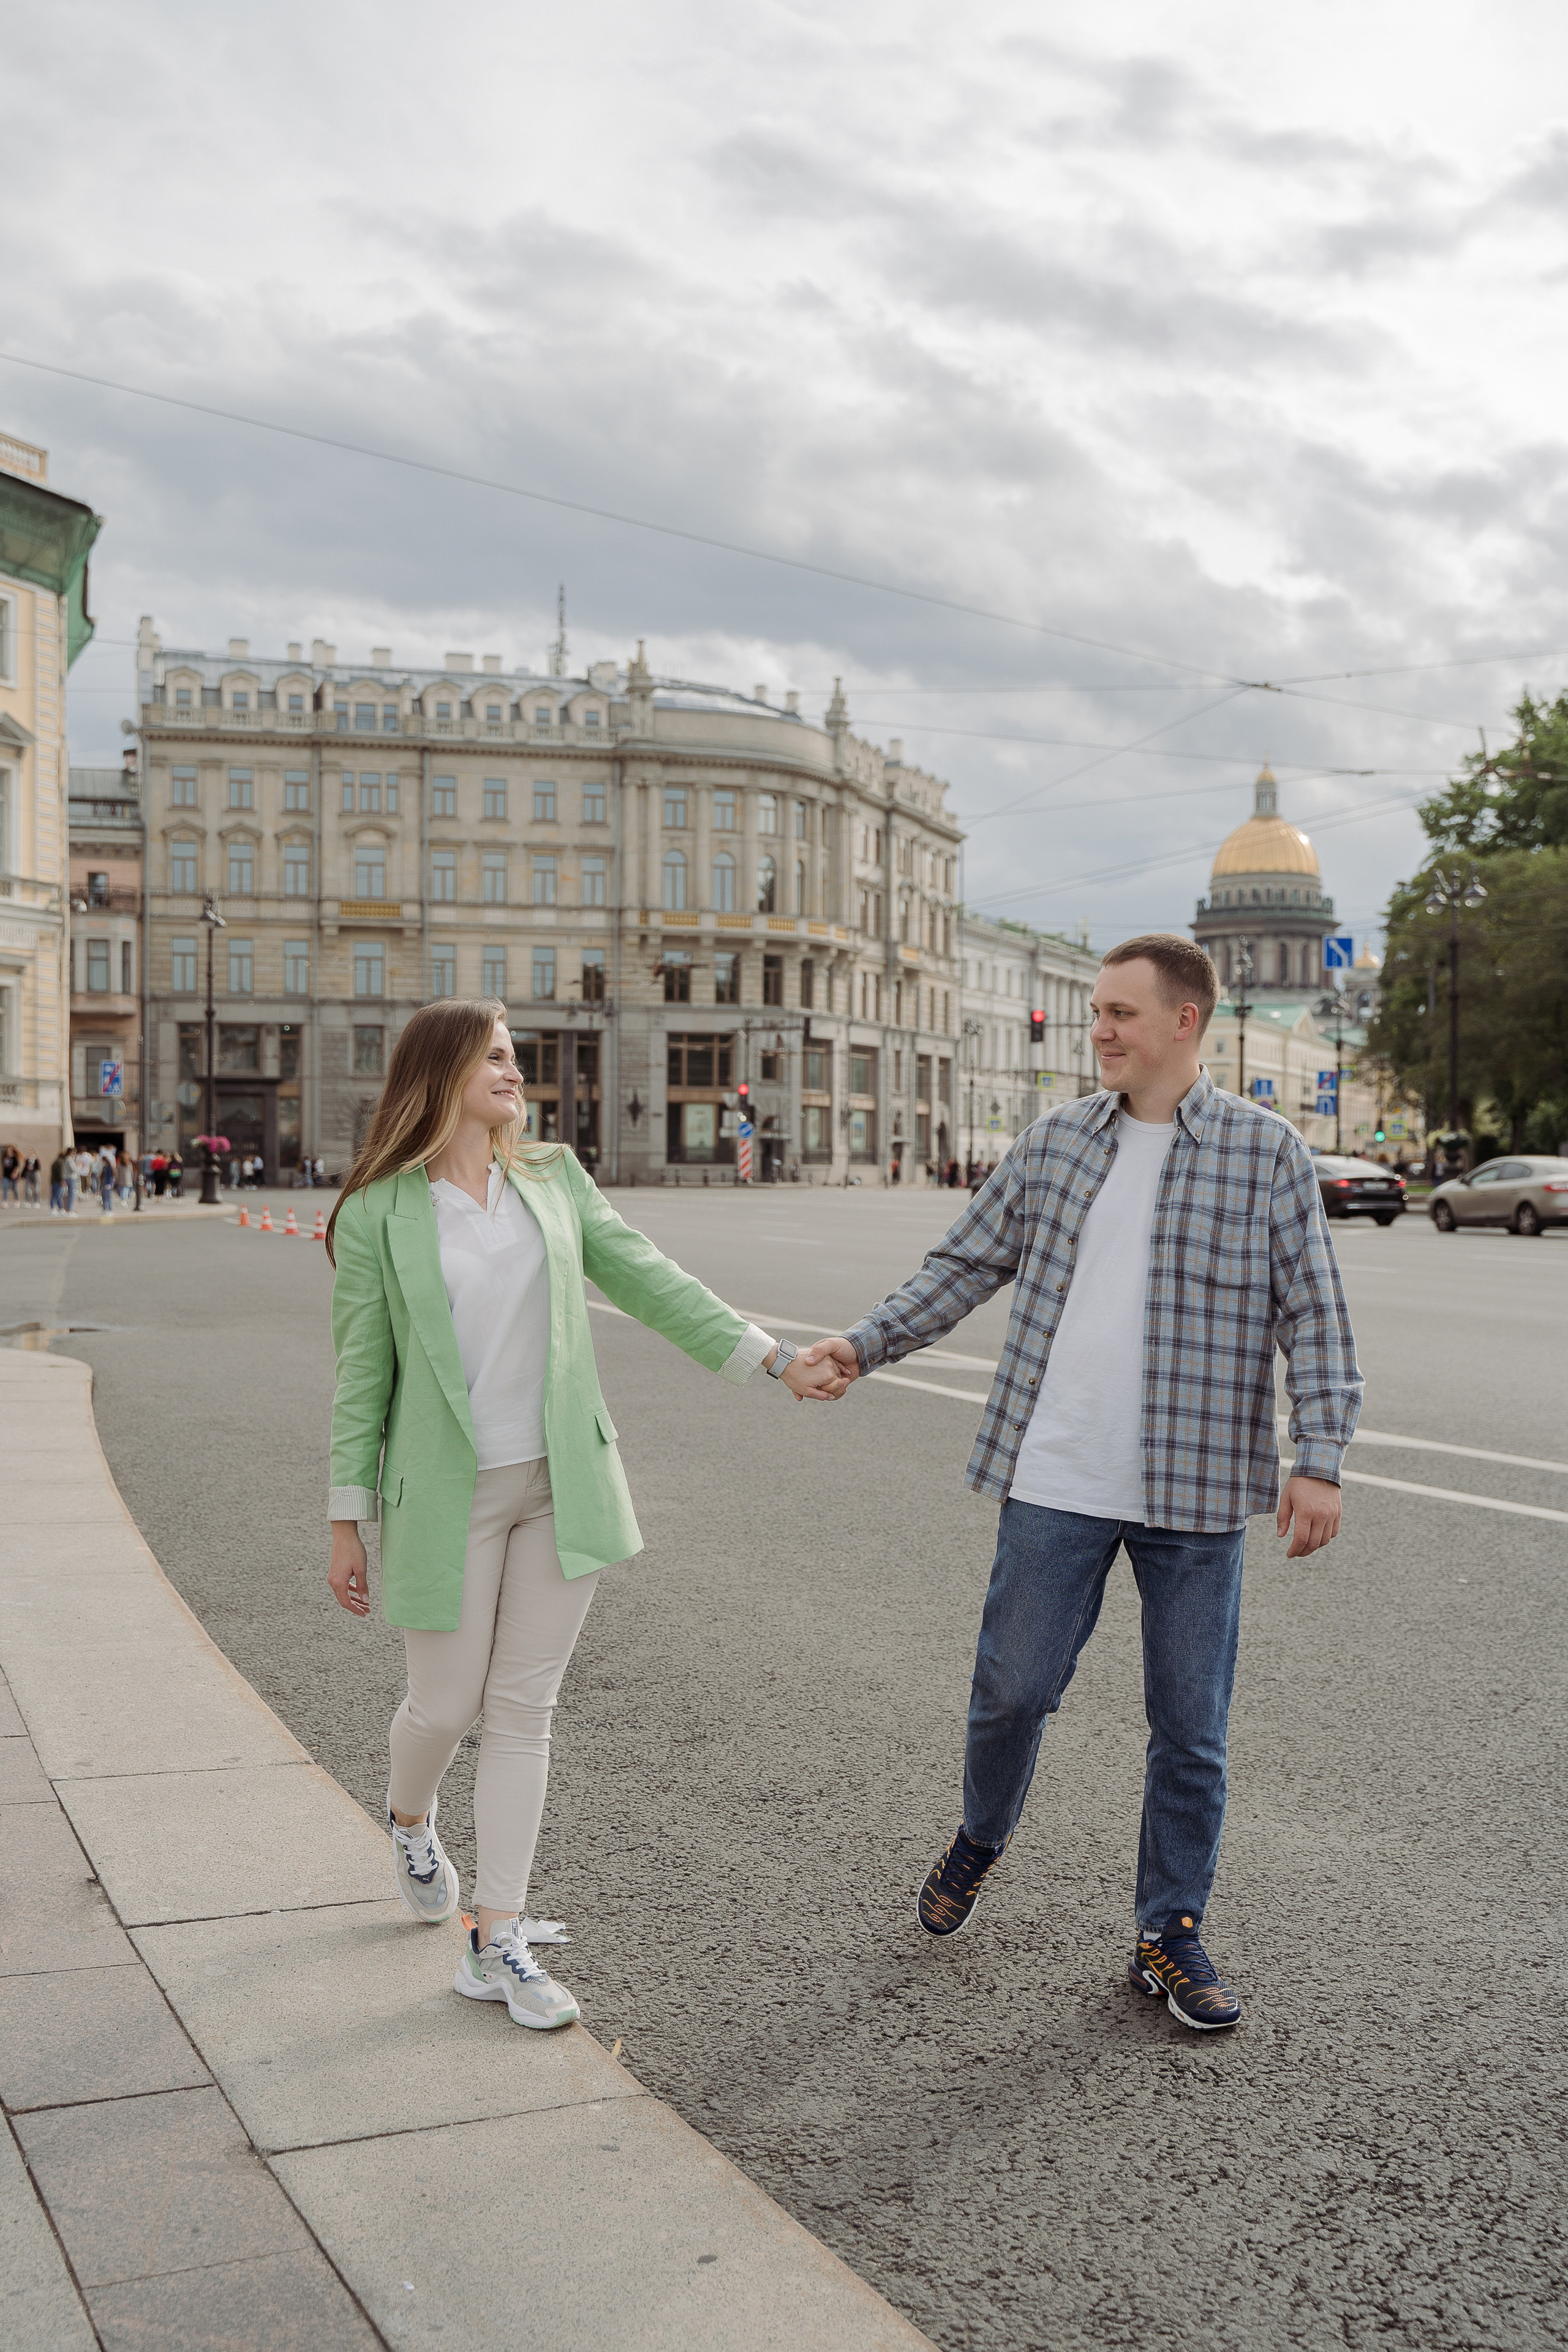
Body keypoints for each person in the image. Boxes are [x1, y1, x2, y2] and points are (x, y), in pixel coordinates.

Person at [802, 935, 1360, 2033]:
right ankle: (981, 1834)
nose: (1096, 1029)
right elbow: (963, 1264)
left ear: (1186, 1022)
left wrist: (1321, 1458)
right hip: (1056, 1472)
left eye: (1119, 1013)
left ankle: (1171, 1930)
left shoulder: (1266, 1153)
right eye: (1096, 1011)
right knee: (1012, 1688)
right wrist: (864, 1347)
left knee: (1190, 1725)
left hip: (1195, 1493)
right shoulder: (1056, 1142)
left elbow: (1315, 1312)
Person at [325, 998, 846, 2032]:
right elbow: (359, 1378)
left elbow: (654, 1284)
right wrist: (345, 1516)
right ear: (441, 1073)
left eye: (517, 1059)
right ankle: (410, 1820)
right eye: (497, 1059)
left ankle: (496, 1937)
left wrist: (776, 1359)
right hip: (445, 1496)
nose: (516, 1075)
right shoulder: (382, 1212)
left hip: (560, 1483)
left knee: (524, 1711)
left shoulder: (552, 1181)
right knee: (443, 1706)